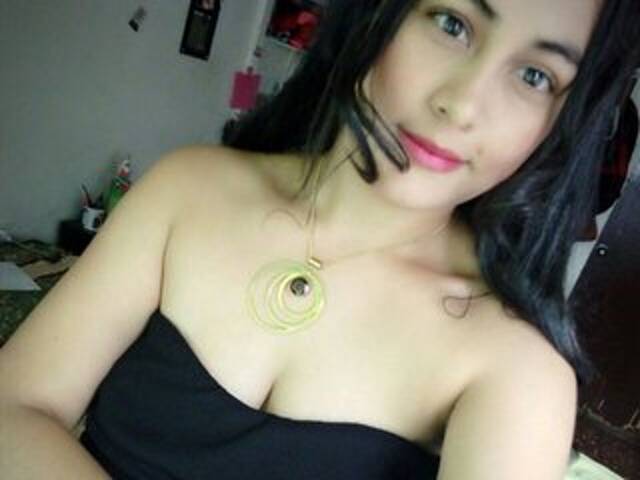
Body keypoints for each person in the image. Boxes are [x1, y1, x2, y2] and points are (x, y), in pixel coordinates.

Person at [1, 0, 639, 478]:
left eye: (534, 76)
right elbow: (15, 409)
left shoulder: (517, 369)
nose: (463, 104)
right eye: (452, 23)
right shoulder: (188, 188)